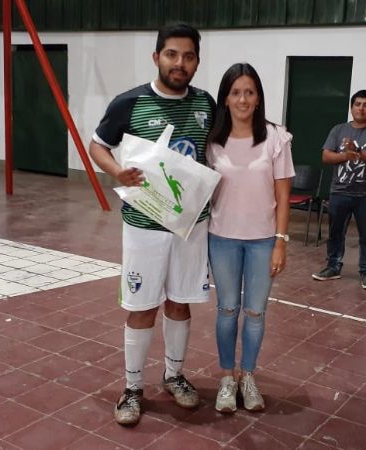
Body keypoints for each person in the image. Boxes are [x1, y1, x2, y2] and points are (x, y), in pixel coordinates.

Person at [87, 23, 216, 426]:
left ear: (196, 61)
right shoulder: (130, 102)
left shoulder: (207, 104)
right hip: (144, 224)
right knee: (142, 307)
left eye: (189, 56)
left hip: (191, 227)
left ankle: (175, 375)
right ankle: (132, 387)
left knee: (180, 302)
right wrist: (116, 172)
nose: (180, 63)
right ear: (156, 56)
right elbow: (97, 145)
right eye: (172, 54)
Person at [206, 63, 294, 413]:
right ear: (225, 99)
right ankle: (227, 378)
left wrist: (281, 241)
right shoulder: (212, 141)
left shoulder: (275, 137)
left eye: (250, 92)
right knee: (227, 310)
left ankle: (248, 376)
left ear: (258, 99)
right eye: (236, 92)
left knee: (255, 313)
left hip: (262, 242)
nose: (243, 99)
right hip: (221, 239)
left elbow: (284, 196)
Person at [311, 90, 366, 289]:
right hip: (339, 191)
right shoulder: (338, 130)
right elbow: (326, 156)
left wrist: (358, 152)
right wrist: (346, 156)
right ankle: (333, 266)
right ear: (351, 107)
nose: (361, 108)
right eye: (357, 104)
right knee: (336, 232)